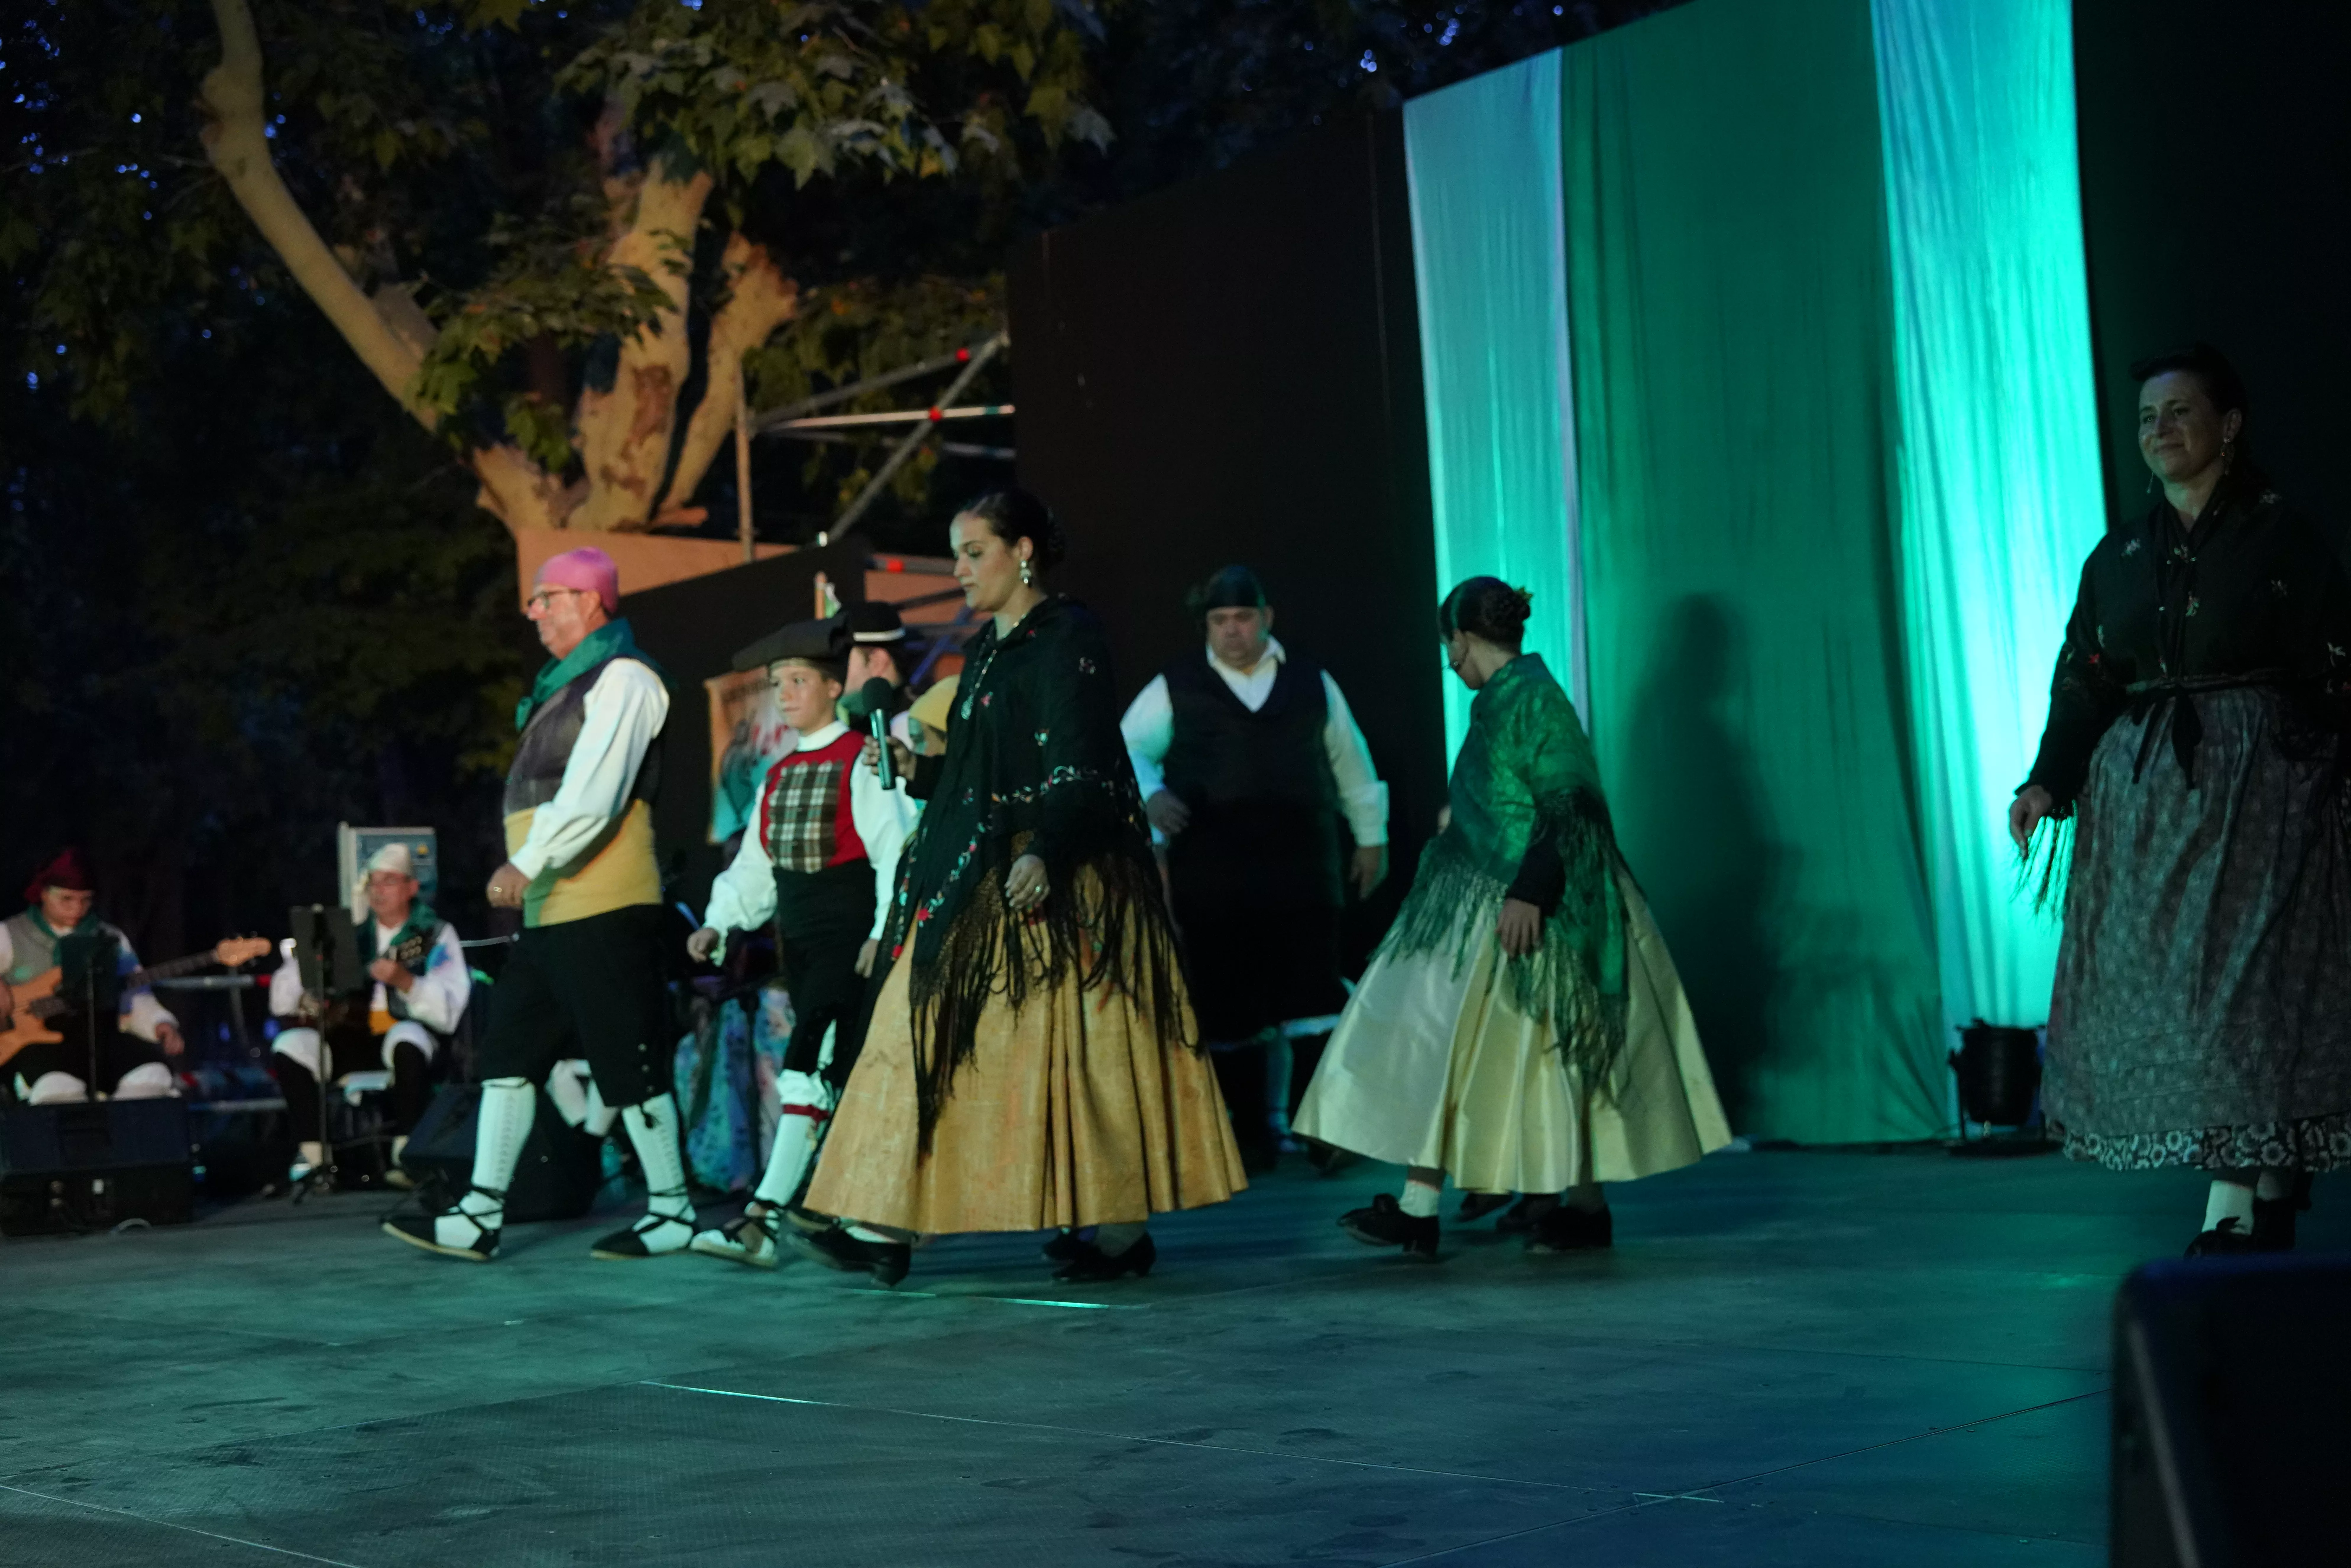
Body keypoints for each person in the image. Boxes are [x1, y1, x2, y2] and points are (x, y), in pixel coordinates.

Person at [799, 489, 1246, 1285]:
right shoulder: (985, 650)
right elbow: (979, 770)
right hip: (981, 869)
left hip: (1056, 875)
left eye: (975, 553)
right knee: (916, 1029)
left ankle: (1117, 1232)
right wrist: (916, 767)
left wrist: (1044, 852)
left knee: (1087, 1061)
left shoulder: (1069, 637)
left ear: (1025, 551)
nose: (961, 570)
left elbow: (1079, 763)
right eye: (958, 555)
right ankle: (882, 1221)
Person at [2011, 345, 2351, 1256]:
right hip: (2151, 815)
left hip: (2260, 799)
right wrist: (2048, 779)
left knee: (2240, 993)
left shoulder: (2282, 539)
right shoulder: (2121, 555)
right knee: (2190, 1000)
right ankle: (2271, 1177)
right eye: (2146, 418)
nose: (2158, 430)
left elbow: (2336, 664)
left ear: (2228, 425)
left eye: (2179, 412)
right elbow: (2084, 677)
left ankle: (2231, 1206)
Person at [1295, 578, 1732, 1258]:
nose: (1450, 661)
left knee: (1523, 1055)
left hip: (1527, 901)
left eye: (1450, 645)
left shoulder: (1533, 698)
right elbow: (1509, 790)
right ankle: (1453, 1206)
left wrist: (1529, 889)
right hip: (1480, 895)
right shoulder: (1506, 697)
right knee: (1454, 1043)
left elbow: (1571, 801)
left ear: (1464, 639)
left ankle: (1551, 1208)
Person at [384, 546, 700, 1263]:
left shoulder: (626, 676)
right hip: (554, 906)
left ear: (591, 601)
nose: (533, 611)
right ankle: (480, 1212)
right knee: (508, 1054)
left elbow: (597, 791)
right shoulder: (571, 684)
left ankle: (674, 1209)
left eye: (546, 597)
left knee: (626, 1058)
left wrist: (528, 859)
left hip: (605, 900)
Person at [1121, 565, 1389, 1168]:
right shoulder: (1176, 684)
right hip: (1214, 873)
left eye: (1243, 618)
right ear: (1206, 625)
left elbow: (1352, 761)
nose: (1232, 630)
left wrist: (1372, 840)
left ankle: (1323, 1131)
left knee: (1313, 993)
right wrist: (1151, 794)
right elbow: (1126, 748)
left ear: (1266, 618)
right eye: (1220, 620)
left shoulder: (1310, 681)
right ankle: (1245, 1138)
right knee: (1227, 1000)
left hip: (1303, 865)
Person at [685, 617, 914, 1268]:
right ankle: (845, 1216)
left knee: (810, 1068)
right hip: (804, 946)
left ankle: (764, 1219)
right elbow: (755, 868)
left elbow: (895, 850)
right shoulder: (779, 774)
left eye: (798, 681)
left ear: (834, 686)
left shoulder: (861, 759)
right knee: (826, 1073)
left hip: (850, 941)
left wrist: (881, 932)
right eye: (777, 684)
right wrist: (720, 921)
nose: (784, 695)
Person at [268, 843, 469, 1186]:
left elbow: (449, 1011)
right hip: (349, 1040)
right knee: (290, 1045)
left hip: (404, 1038)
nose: (378, 891)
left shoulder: (434, 935)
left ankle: (406, 1154)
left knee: (407, 1039)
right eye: (373, 882)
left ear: (411, 888)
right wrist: (312, 983)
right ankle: (315, 1157)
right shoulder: (351, 936)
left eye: (389, 881)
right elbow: (280, 1002)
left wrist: (407, 982)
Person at [1, 848, 185, 1103]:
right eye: (66, 899)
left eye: (85, 900)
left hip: (100, 1039)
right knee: (58, 1089)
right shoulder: (10, 934)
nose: (77, 909)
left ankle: (122, 1127)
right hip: (35, 1045)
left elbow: (135, 994)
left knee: (153, 1076)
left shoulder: (109, 938)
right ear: (44, 894)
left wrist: (160, 1024)